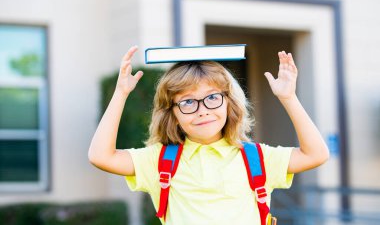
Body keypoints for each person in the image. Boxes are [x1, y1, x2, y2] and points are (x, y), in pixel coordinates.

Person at [88, 45, 329, 225]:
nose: (203, 111)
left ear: (228, 103)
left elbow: (316, 154)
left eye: (212, 98)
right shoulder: (160, 161)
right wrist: (120, 94)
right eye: (188, 102)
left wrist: (288, 98)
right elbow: (101, 156)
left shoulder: (256, 158)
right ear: (172, 114)